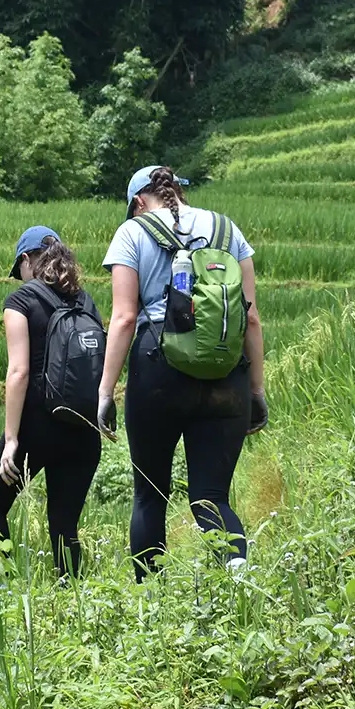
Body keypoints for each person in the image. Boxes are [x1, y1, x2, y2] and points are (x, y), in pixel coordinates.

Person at [97, 165, 267, 582]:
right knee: (211, 497)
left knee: (150, 495)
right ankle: (238, 579)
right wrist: (257, 392)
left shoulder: (133, 233)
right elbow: (253, 319)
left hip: (159, 369)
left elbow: (123, 317)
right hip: (227, 373)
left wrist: (105, 393)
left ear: (138, 202)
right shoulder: (228, 230)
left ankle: (149, 600)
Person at [0, 226, 105, 578]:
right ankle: (71, 599)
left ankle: (0, 591)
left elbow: (18, 371)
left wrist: (12, 439)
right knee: (64, 525)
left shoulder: (20, 300)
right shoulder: (86, 301)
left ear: (25, 260)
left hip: (36, 426)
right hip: (82, 427)